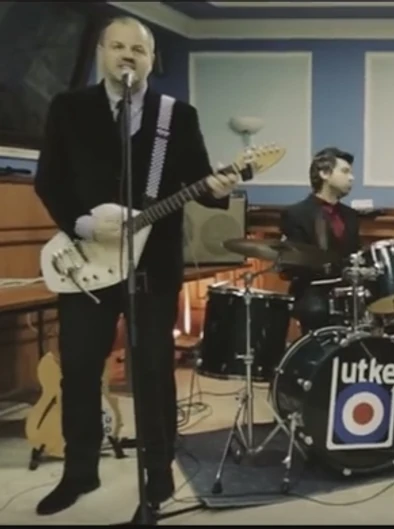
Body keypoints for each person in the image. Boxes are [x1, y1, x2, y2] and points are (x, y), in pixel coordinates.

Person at [31, 16, 240, 518]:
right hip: (86, 264)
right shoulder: (68, 108)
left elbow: (199, 181)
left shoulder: (177, 116)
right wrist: (83, 224)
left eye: (139, 50)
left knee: (152, 373)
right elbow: (48, 180)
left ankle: (158, 474)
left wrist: (219, 189)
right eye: (118, 46)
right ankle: (79, 472)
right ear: (102, 53)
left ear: (150, 60)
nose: (128, 55)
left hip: (153, 267)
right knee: (80, 371)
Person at [279, 147, 394, 346]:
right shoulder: (296, 214)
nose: (352, 178)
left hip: (351, 287)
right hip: (315, 289)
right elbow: (293, 264)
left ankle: (387, 359)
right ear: (324, 173)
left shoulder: (350, 215)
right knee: (317, 310)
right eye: (345, 171)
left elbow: (355, 254)